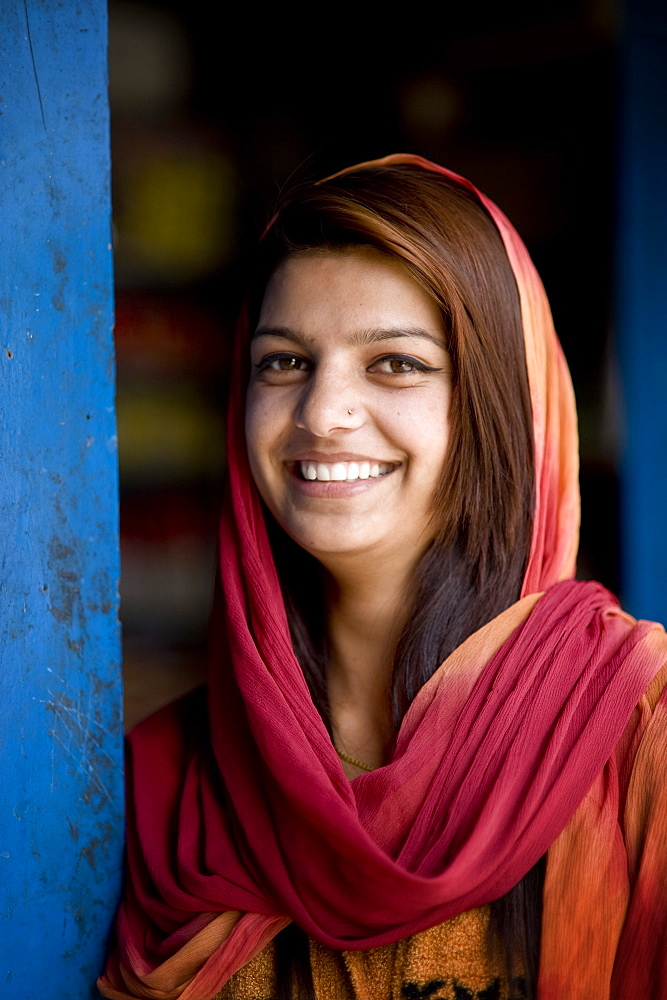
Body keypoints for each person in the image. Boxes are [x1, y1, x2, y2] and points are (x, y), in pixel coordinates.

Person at [98, 155, 667, 1000]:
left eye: (394, 363)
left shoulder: (633, 726)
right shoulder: (167, 781)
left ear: (497, 402)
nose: (322, 413)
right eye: (283, 362)